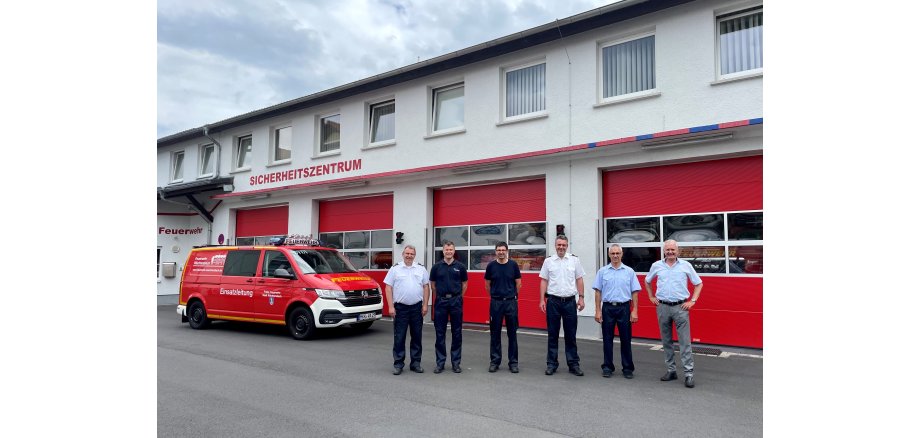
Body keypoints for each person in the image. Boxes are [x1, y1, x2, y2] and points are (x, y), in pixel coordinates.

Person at [645, 239, 703, 388]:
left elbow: (698, 283)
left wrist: (693, 300)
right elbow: (647, 281)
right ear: (664, 251)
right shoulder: (656, 266)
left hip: (681, 308)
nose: (670, 252)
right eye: (667, 250)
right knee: (666, 341)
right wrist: (651, 296)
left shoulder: (686, 266)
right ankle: (671, 370)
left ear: (678, 251)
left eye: (673, 250)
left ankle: (689, 374)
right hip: (663, 307)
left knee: (685, 342)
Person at [539, 235, 586, 376]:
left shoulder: (574, 260)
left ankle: (573, 364)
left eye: (563, 245)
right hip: (553, 301)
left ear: (567, 246)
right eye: (559, 245)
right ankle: (551, 364)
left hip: (570, 302)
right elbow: (543, 281)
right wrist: (542, 300)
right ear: (555, 246)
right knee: (552, 334)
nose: (561, 247)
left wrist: (581, 298)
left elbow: (579, 279)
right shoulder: (548, 261)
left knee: (570, 335)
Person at [592, 244, 641, 379]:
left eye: (617, 253)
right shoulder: (602, 272)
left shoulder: (629, 272)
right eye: (612, 253)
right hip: (607, 308)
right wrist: (597, 310)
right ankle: (607, 367)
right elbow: (598, 291)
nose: (615, 256)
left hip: (624, 308)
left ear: (621, 254)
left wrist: (635, 310)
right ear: (609, 255)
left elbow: (635, 292)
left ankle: (627, 368)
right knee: (607, 339)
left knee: (626, 339)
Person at [384, 245, 431, 375]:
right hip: (400, 308)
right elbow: (388, 288)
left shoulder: (421, 269)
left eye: (411, 254)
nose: (409, 256)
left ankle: (415, 364)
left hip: (417, 307)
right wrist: (390, 306)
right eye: (407, 253)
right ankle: (398, 364)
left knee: (416, 337)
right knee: (399, 337)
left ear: (414, 255)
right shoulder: (395, 269)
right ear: (403, 254)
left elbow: (426, 287)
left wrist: (426, 305)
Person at [428, 241, 468, 374]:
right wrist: (441, 296)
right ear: (443, 251)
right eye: (446, 249)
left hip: (456, 301)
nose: (449, 252)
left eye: (451, 249)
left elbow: (464, 284)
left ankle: (456, 363)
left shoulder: (460, 267)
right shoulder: (436, 267)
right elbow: (433, 285)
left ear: (454, 251)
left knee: (457, 333)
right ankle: (440, 363)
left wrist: (457, 297)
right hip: (441, 301)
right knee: (440, 333)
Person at [484, 242, 521, 373]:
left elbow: (518, 283)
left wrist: (512, 296)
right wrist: (495, 296)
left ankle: (513, 363)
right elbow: (487, 285)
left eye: (503, 250)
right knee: (495, 334)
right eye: (498, 250)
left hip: (510, 303)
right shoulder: (491, 266)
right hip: (496, 303)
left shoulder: (513, 265)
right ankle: (495, 361)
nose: (501, 252)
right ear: (495, 251)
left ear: (507, 251)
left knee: (512, 334)